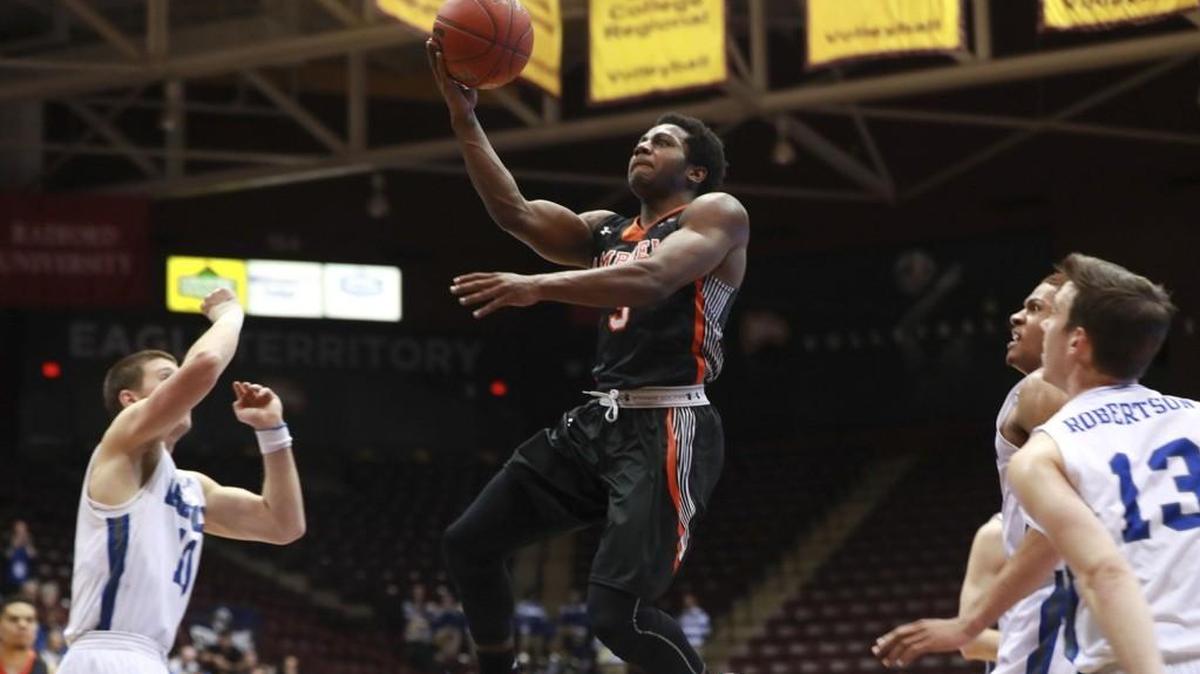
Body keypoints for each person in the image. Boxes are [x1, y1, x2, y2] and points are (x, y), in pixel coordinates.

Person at [428, 36, 749, 674]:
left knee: (615, 616)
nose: (642, 146)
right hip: (599, 420)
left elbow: (653, 280)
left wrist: (536, 286)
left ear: (694, 172)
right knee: (469, 545)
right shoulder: (605, 229)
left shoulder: (716, 213)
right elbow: (516, 214)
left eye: (661, 141)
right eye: (640, 140)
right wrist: (464, 119)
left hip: (668, 422)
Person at [58, 288, 306, 674]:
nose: (182, 387)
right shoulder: (124, 443)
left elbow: (283, 525)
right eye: (167, 378)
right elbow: (205, 363)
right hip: (106, 650)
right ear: (130, 400)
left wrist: (272, 431)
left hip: (151, 657)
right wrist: (230, 313)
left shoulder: (192, 487)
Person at [875, 274, 1072, 674]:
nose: (1015, 317)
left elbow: (1063, 521)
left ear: (1072, 330)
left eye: (1035, 308)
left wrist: (966, 627)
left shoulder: (1041, 390)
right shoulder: (998, 534)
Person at [1009, 254, 1185, 674]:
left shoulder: (1046, 436)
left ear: (1078, 340)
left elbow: (1101, 568)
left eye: (1050, 313)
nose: (1036, 323)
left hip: (1120, 647)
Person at [0, 599, 52, 674]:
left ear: (37, 627)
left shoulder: (50, 669)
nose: (22, 625)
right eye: (13, 619)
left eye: (29, 620)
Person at [4, 522, 36, 596]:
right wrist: (14, 545)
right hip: (10, 579)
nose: (21, 531)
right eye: (19, 528)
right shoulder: (9, 539)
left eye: (23, 528)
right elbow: (7, 556)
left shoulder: (29, 540)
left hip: (25, 579)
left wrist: (27, 543)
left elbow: (33, 555)